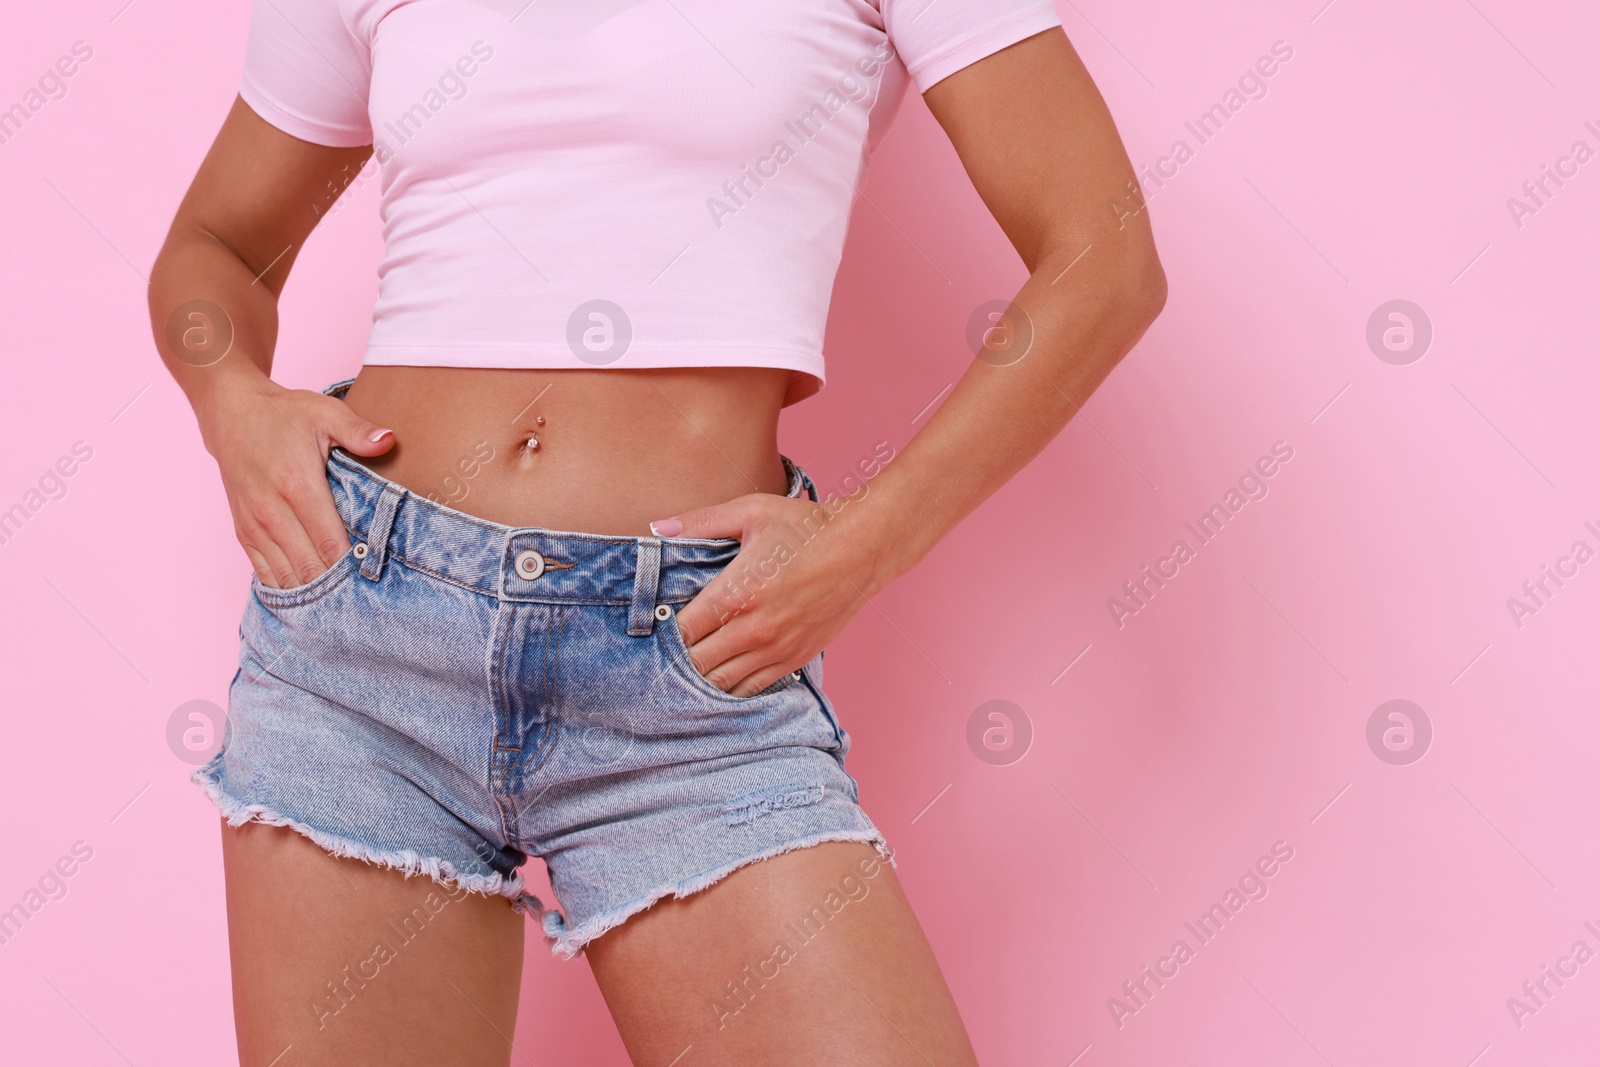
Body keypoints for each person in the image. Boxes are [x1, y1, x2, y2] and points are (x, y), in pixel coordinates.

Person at [148, 0, 1165, 1062]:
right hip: (361, 638)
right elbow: (214, 246)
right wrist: (233, 403)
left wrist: (868, 539)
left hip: (689, 663)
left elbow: (1103, 255)